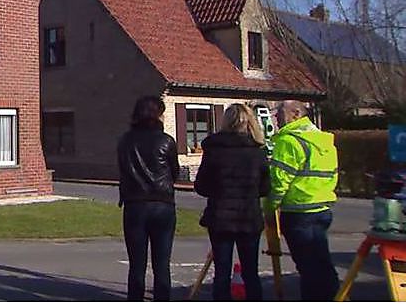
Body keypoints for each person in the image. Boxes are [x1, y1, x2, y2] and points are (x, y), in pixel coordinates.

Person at [194, 104, 270, 301]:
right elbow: (265, 188)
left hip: (220, 217)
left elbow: (201, 185)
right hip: (248, 216)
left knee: (222, 271)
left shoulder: (215, 150)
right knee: (251, 271)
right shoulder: (257, 151)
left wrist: (219, 191)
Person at [264, 100, 339, 301]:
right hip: (322, 208)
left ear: (296, 113)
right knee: (322, 263)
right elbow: (332, 175)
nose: (276, 118)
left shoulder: (289, 141)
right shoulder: (324, 141)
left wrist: (269, 208)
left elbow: (279, 182)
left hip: (298, 211)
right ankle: (334, 297)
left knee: (308, 268)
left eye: (280, 113)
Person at [118, 95, 180, 301]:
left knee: (137, 264)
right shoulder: (166, 141)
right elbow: (174, 172)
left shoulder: (125, 141)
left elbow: (123, 170)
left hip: (135, 205)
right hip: (162, 205)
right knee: (162, 264)